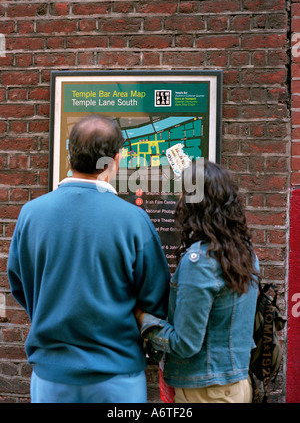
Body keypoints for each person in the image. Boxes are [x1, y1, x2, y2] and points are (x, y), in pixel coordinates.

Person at [7, 114, 170, 403]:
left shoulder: (30, 215)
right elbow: (155, 298)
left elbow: (20, 285)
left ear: (69, 153)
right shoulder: (134, 221)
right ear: (115, 160)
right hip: (118, 377)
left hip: (51, 375)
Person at [135, 159, 259, 404]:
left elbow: (185, 343)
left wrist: (142, 319)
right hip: (236, 384)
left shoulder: (199, 261)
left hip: (206, 391)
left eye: (182, 192)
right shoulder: (244, 252)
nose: (179, 199)